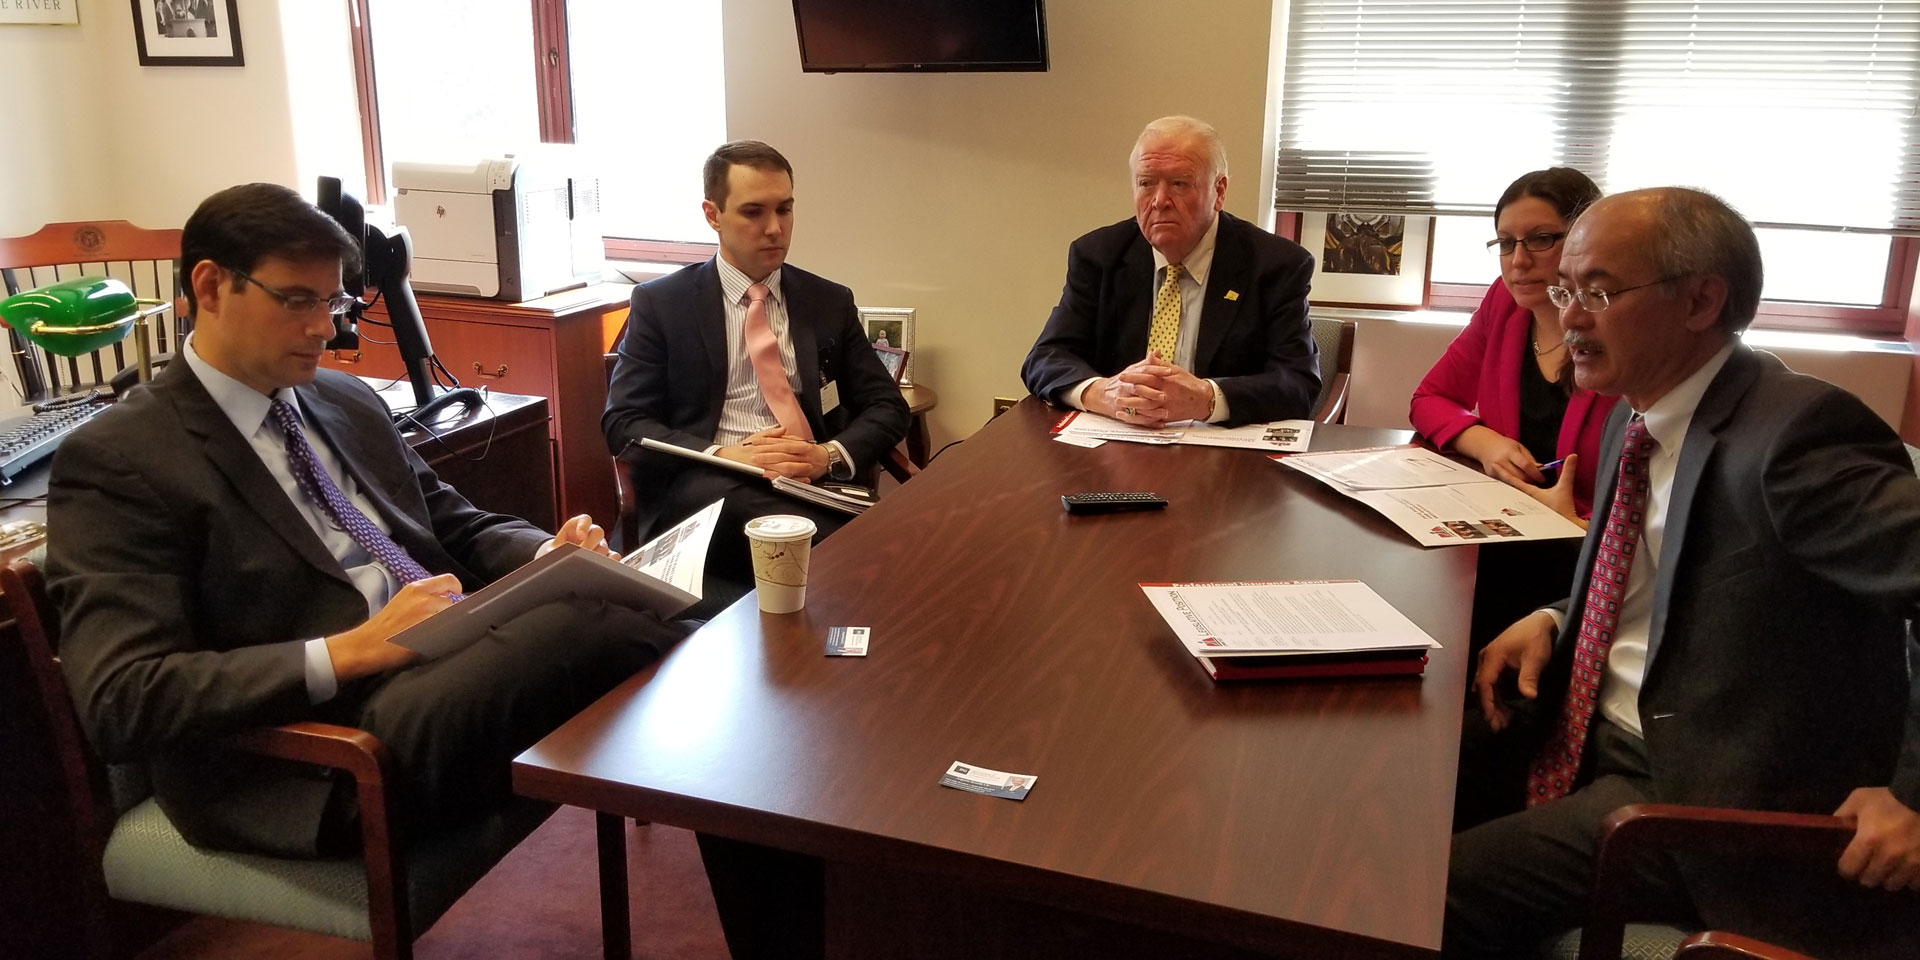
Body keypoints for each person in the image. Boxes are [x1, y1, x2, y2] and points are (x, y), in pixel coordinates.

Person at [48, 182, 685, 860]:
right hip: (326, 753)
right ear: (209, 286)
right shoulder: (120, 459)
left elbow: (454, 524)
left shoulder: (344, 399)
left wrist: (547, 557)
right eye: (297, 300)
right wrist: (353, 650)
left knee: (616, 606)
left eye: (335, 302)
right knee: (615, 623)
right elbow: (120, 700)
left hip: (446, 668)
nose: (326, 327)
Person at [1447, 187, 1920, 959]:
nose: (1568, 317)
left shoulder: (1794, 436)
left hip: (1693, 796)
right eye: (1567, 290)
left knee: (1411, 891)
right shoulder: (1648, 406)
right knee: (1389, 789)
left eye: (1597, 291)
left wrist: (1913, 798)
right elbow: (1674, 576)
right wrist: (1559, 616)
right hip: (1588, 723)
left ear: (1701, 300)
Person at [602, 139, 908, 601]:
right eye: (753, 212)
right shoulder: (661, 305)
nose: (774, 229)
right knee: (869, 551)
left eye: (784, 210)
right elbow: (623, 424)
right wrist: (725, 455)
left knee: (887, 543)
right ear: (713, 214)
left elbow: (887, 405)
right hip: (707, 487)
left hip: (810, 483)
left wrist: (826, 455)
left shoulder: (827, 301)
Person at [1021, 116, 1320, 427]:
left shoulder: (1276, 265)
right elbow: (1045, 358)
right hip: (1115, 450)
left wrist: (1207, 398)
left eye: (1179, 184)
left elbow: (1298, 385)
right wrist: (1104, 394)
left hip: (1223, 456)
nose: (1160, 201)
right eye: (1146, 183)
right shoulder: (1099, 255)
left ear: (1219, 191)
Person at [1410, 167, 1617, 522]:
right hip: (1502, 517)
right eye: (1506, 243)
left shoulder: (1623, 323)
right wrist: (1485, 443)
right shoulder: (1503, 302)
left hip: (1587, 540)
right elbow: (1430, 399)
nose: (1519, 261)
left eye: (1541, 239)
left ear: (1586, 239)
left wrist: (1581, 528)